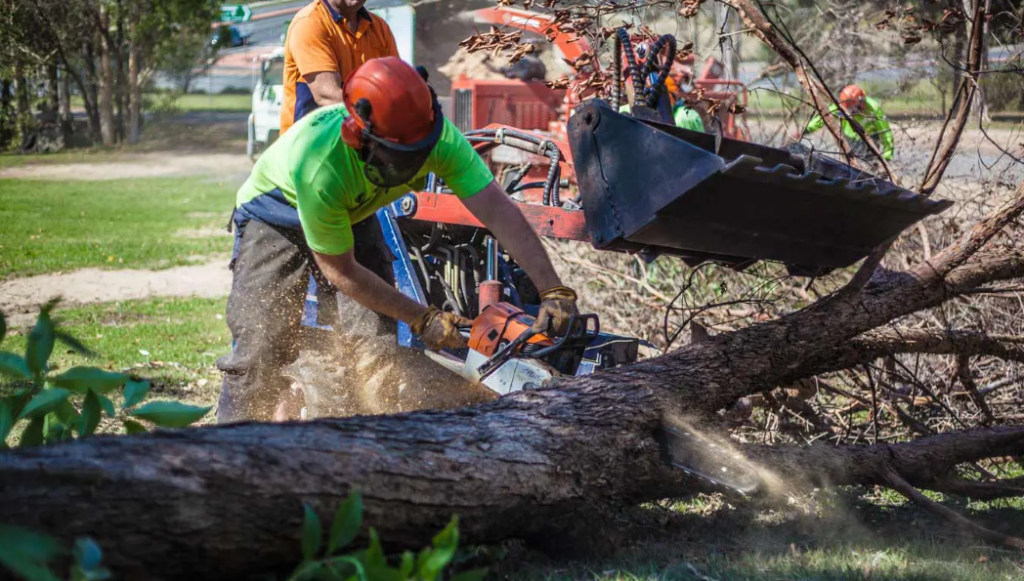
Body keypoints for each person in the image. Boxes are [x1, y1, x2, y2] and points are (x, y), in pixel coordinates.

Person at [218, 58, 579, 422]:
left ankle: (364, 444)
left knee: (375, 342)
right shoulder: (323, 168)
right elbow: (342, 272)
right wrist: (422, 318)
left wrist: (552, 290)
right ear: (359, 138)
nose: (412, 165)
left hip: (353, 210)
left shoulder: (434, 138)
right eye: (399, 157)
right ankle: (230, 449)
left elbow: (499, 212)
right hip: (278, 210)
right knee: (260, 345)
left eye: (416, 154)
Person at [280, 0, 398, 134]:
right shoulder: (310, 22)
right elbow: (327, 96)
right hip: (308, 145)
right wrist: (381, 109)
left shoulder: (379, 28)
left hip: (357, 142)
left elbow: (395, 86)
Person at [803, 84, 894, 161]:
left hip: (870, 141)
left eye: (852, 107)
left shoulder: (873, 108)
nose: (850, 111)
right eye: (848, 108)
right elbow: (823, 117)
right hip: (850, 140)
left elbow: (885, 132)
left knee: (868, 168)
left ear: (860, 101)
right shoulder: (841, 106)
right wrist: (806, 129)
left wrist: (887, 157)